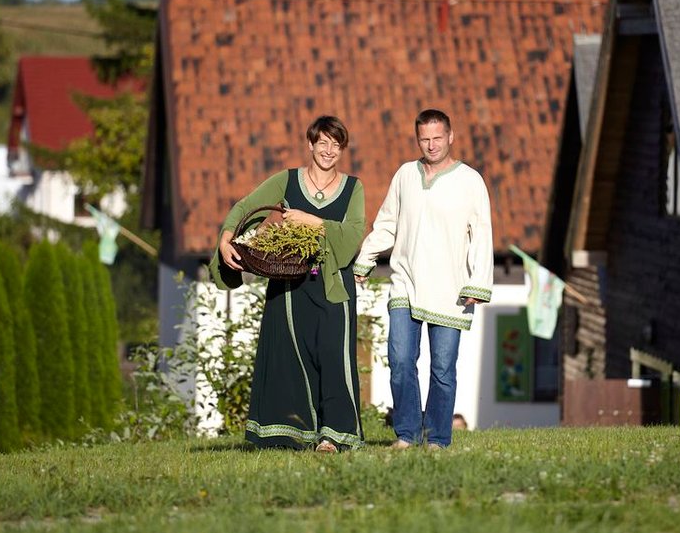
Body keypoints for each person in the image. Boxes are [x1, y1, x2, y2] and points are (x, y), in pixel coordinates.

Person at [209, 115, 366, 453]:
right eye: (322, 142)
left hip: (334, 286)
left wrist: (314, 221)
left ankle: (334, 436)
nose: (328, 150)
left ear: (342, 149)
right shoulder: (288, 180)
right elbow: (246, 207)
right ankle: (295, 432)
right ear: (310, 145)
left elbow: (353, 234)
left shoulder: (354, 188)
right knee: (294, 358)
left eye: (335, 144)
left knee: (334, 358)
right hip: (290, 285)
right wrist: (225, 239)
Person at [354, 109, 493, 449]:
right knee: (400, 360)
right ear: (418, 139)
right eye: (424, 139)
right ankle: (407, 434)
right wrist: (365, 258)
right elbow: (388, 222)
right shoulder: (404, 175)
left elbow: (482, 235)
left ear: (451, 137)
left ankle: (438, 438)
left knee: (443, 369)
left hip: (451, 290)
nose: (431, 145)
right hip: (406, 281)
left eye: (437, 138)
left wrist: (478, 282)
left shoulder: (470, 181)